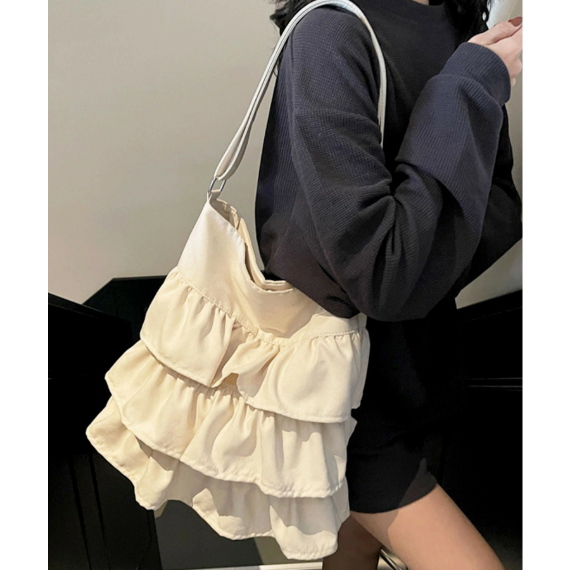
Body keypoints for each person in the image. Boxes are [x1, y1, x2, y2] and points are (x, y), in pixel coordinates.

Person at [257, 0, 528, 568]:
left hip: (422, 370)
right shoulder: (330, 32)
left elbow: (499, 209)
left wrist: (416, 267)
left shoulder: (456, 20)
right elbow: (383, 273)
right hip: (348, 398)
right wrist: (464, 86)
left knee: (353, 550)